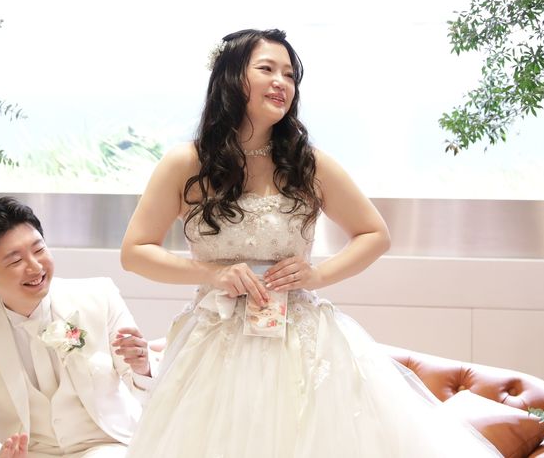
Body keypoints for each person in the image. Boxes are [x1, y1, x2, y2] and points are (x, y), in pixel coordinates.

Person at [120, 28, 502, 457]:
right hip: (213, 339)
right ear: (231, 77)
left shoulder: (307, 163)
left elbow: (374, 234)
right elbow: (135, 252)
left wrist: (317, 275)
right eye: (267, 69)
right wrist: (213, 273)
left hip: (301, 341)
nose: (281, 82)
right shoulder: (186, 162)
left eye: (289, 74)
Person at [0, 196, 153, 458]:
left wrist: (142, 367)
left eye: (39, 250)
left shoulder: (99, 296)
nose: (35, 267)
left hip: (104, 445)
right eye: (15, 261)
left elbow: (146, 390)